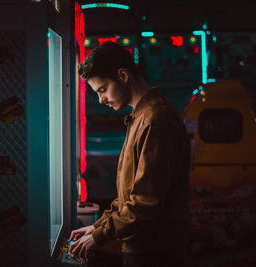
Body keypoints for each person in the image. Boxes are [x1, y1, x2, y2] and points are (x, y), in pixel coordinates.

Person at [69, 41, 190, 267]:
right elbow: (131, 195)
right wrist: (98, 226)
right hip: (146, 246)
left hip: (154, 252)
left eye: (102, 89)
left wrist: (100, 235)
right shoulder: (143, 115)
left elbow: (146, 203)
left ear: (123, 75)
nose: (100, 99)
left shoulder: (155, 120)